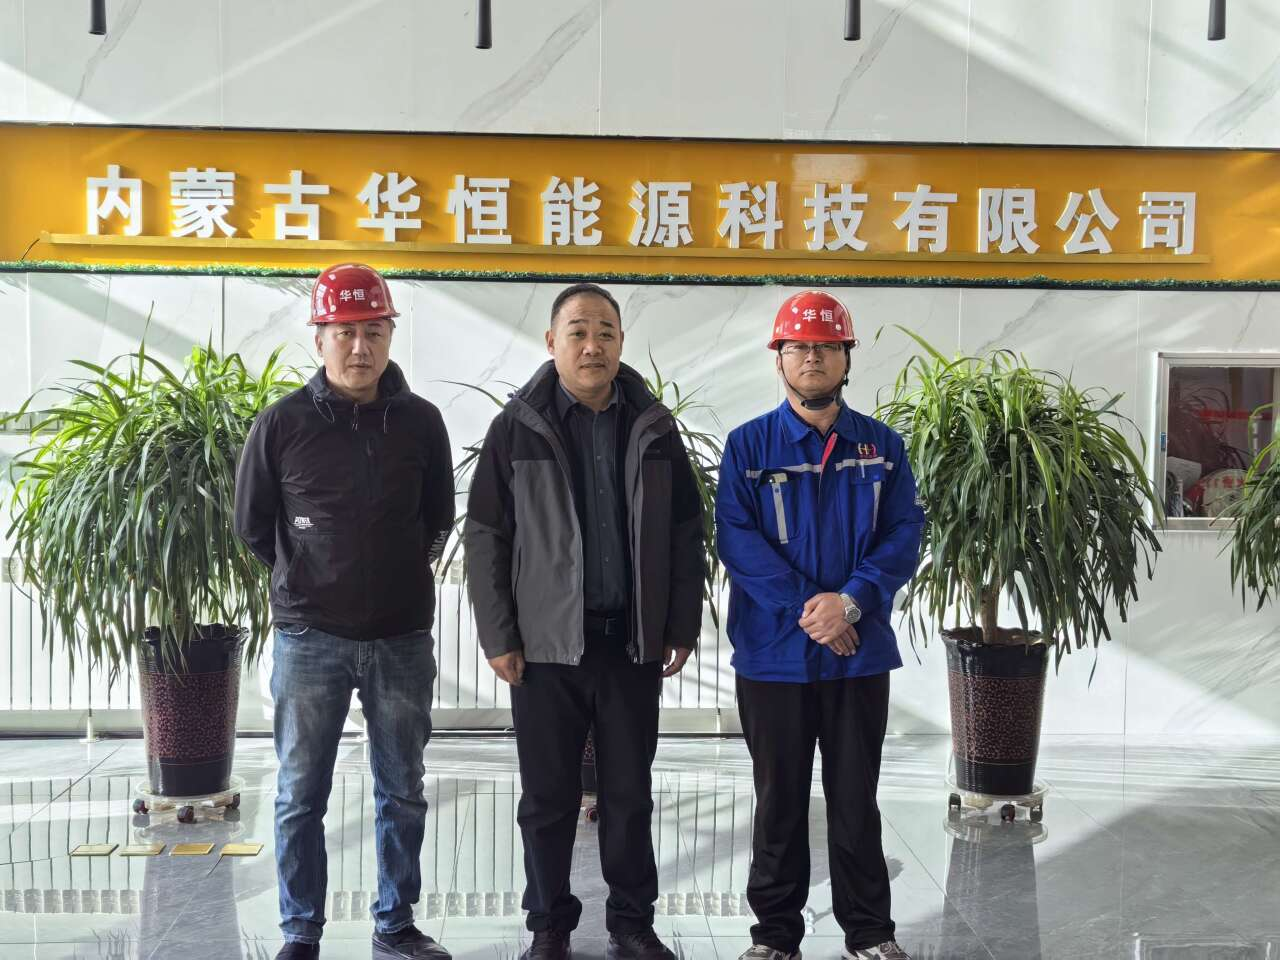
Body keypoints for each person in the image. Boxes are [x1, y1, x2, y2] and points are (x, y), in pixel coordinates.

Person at [464, 282, 705, 960]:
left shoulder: (653, 426)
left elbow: (686, 531)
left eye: (605, 332)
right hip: (544, 649)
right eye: (578, 331)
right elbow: (486, 535)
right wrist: (498, 635)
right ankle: (549, 924)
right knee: (547, 797)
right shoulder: (517, 428)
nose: (592, 345)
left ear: (622, 341)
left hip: (630, 642)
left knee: (629, 794)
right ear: (552, 341)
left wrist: (680, 624)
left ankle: (632, 922)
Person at [234, 262, 454, 960]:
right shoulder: (283, 423)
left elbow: (438, 519)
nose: (361, 348)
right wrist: (306, 578)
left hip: (401, 637)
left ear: (390, 335)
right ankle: (300, 930)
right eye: (345, 333)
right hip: (310, 639)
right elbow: (252, 524)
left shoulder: (421, 422)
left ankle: (396, 924)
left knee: (403, 790)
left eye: (374, 332)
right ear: (320, 337)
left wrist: (398, 573)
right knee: (301, 793)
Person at [715, 291, 925, 960]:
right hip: (773, 655)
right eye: (799, 346)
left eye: (826, 346)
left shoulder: (881, 447)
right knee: (778, 800)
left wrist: (852, 602)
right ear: (778, 359)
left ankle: (870, 933)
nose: (812, 357)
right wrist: (815, 610)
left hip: (857, 654)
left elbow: (904, 532)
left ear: (846, 359)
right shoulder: (749, 446)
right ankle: (775, 936)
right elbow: (737, 541)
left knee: (855, 799)